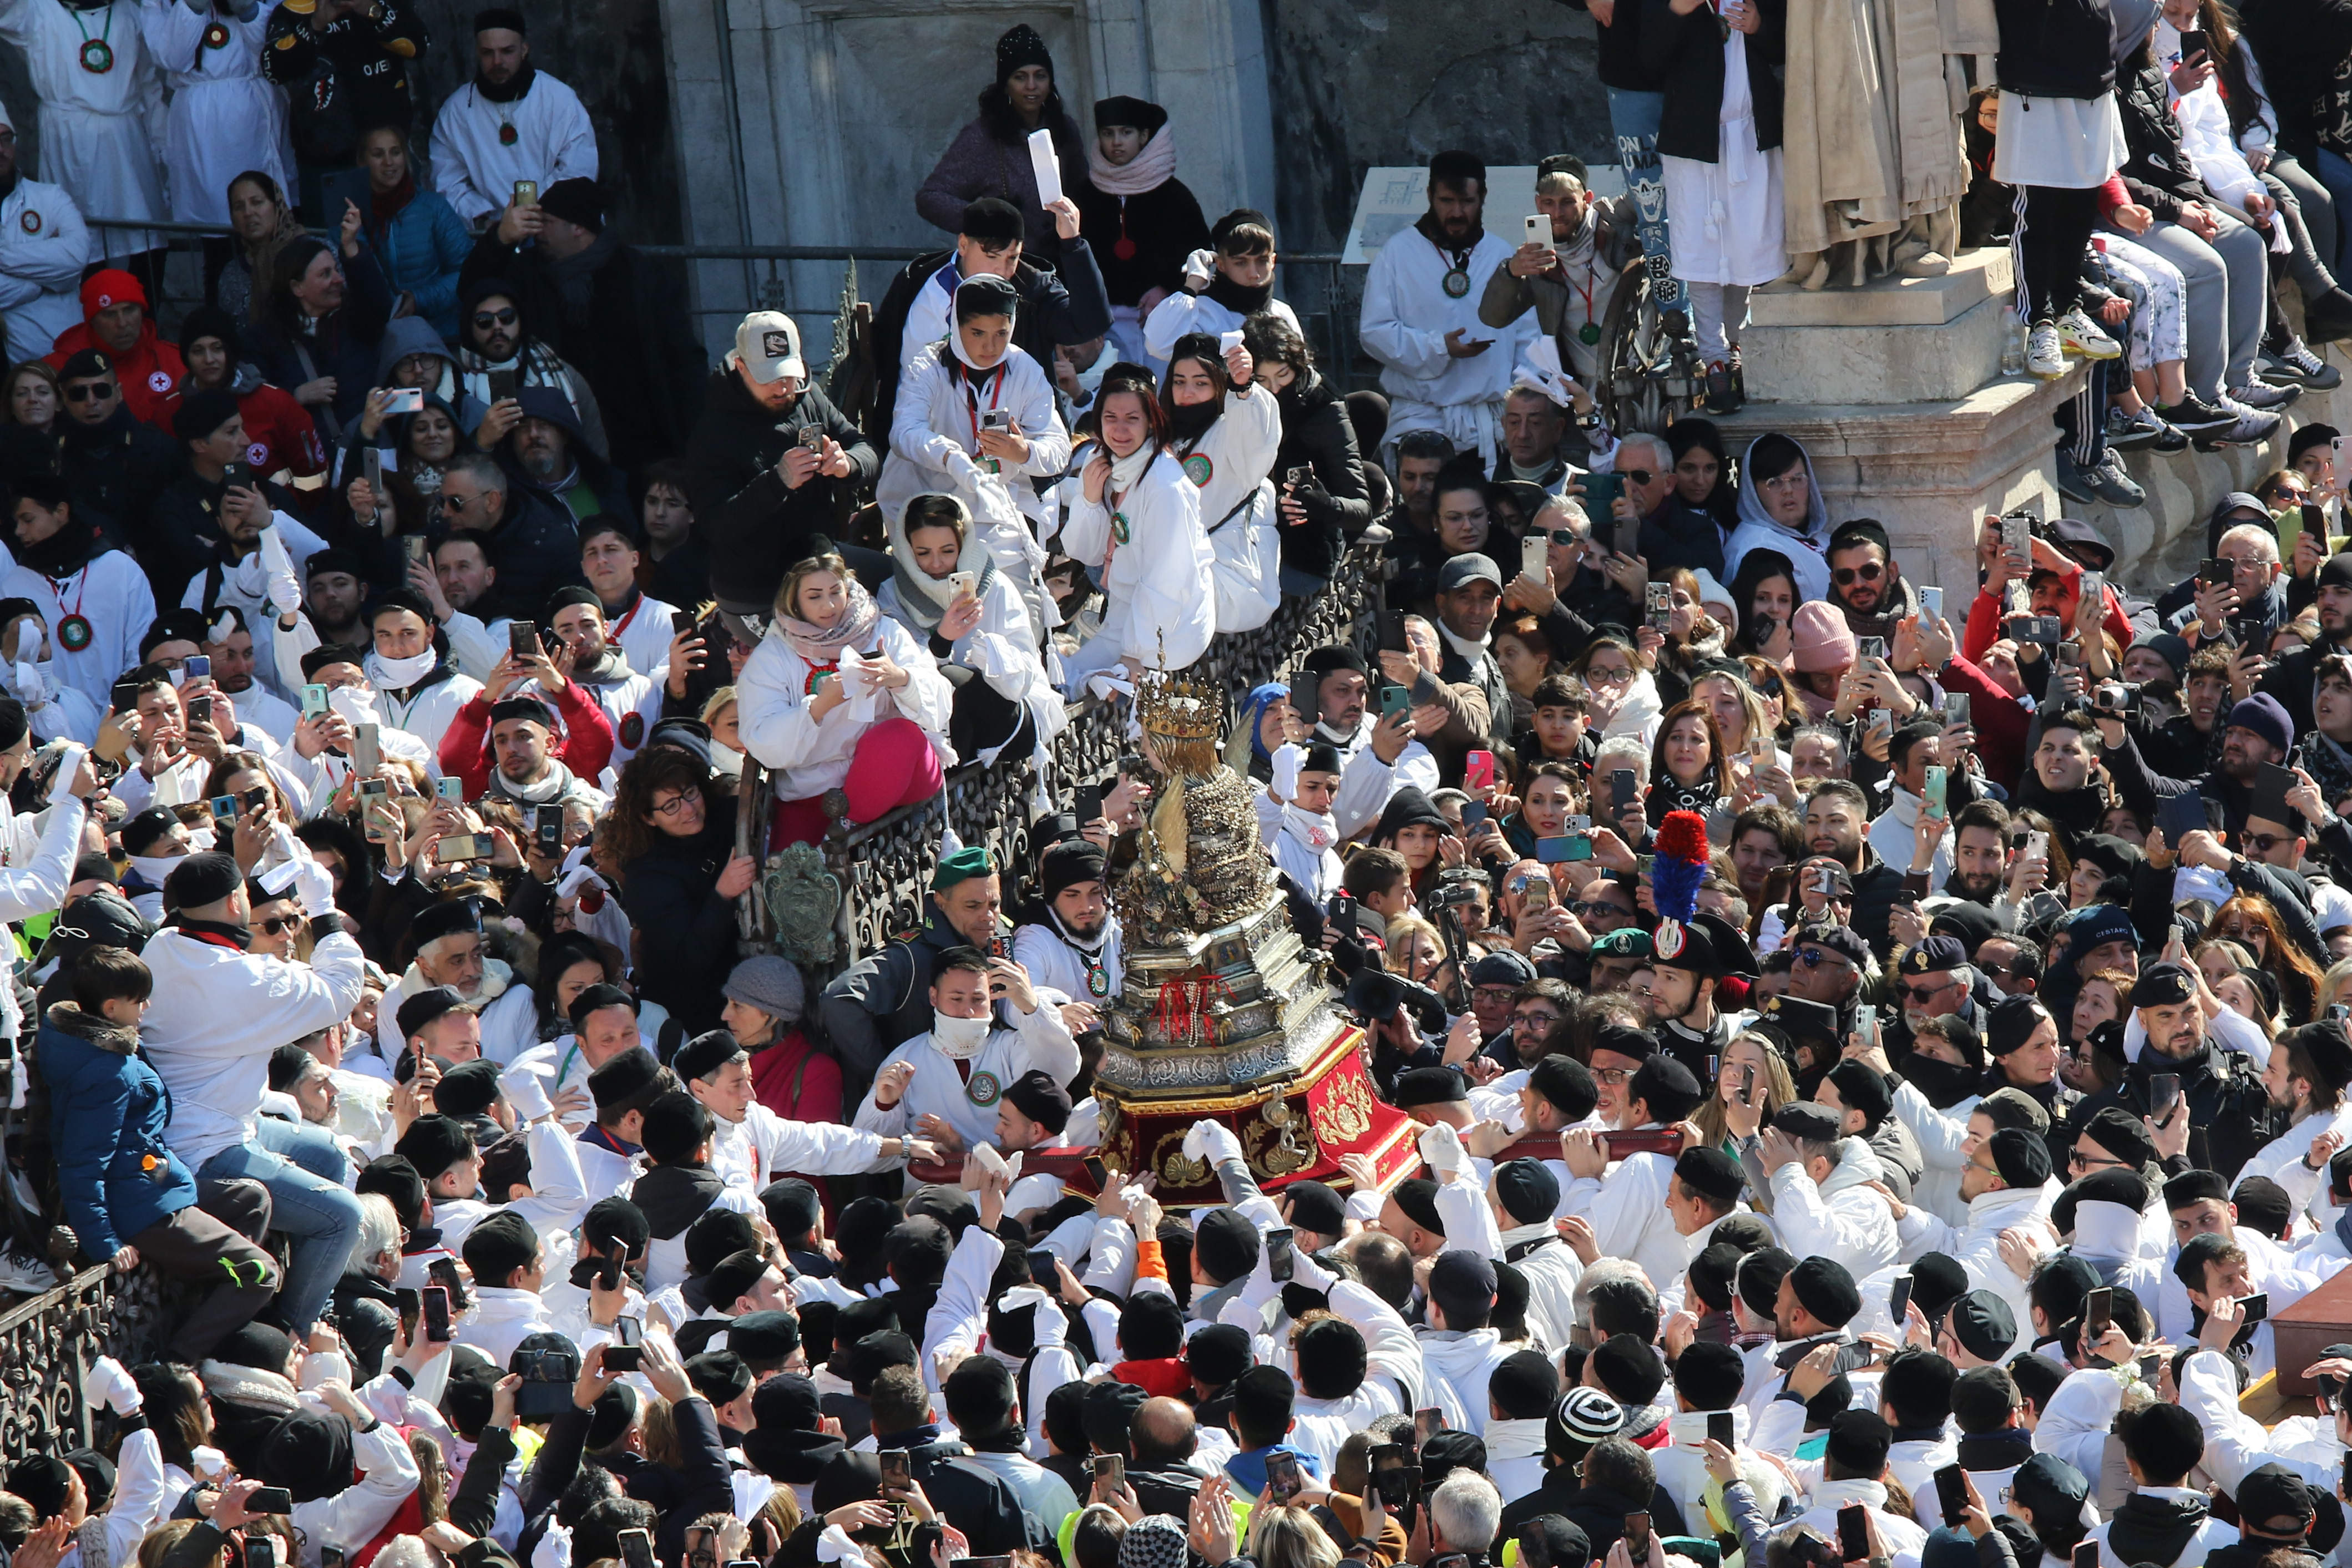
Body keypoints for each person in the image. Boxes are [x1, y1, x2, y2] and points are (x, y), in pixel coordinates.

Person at [140, 851, 367, 1337]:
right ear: (235, 902)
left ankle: (303, 1293)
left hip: (219, 1121)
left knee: (327, 1153)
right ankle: (289, 1333)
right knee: (344, 1216)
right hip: (205, 1150)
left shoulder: (161, 945)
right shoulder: (244, 979)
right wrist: (323, 905)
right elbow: (343, 989)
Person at [41, 942, 279, 1359]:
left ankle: (209, 1309)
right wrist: (105, 1243)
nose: (147, 1006)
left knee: (251, 1199)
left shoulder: (108, 1047)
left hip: (154, 1185)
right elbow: (82, 1163)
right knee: (259, 1273)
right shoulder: (106, 1071)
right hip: (142, 1208)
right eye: (139, 1000)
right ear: (112, 1008)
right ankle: (180, 1364)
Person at [460, 178, 708, 471]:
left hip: (643, 436)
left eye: (548, 221)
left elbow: (681, 355)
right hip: (560, 432)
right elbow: (474, 291)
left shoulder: (639, 274)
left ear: (577, 227)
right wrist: (501, 238)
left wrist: (692, 437)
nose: (537, 230)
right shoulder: (528, 272)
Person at [880, 274, 1071, 634]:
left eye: (1001, 333)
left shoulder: (1024, 368)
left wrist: (1023, 451)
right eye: (977, 333)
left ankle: (1022, 680)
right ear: (956, 325)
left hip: (996, 504)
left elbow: (1058, 448)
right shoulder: (930, 365)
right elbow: (904, 432)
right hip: (929, 503)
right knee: (935, 608)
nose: (990, 346)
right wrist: (949, 457)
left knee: (1017, 606)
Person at [736, 552, 953, 846]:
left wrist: (901, 679)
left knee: (900, 735)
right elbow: (761, 740)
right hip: (814, 793)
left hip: (895, 780)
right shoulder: (774, 656)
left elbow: (940, 707)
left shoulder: (882, 630)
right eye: (814, 596)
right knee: (792, 881)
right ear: (794, 600)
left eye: (836, 592)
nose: (829, 606)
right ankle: (839, 833)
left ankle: (848, 829)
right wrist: (820, 706)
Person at [685, 311, 875, 631]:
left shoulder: (809, 397)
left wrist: (848, 465)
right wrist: (777, 483)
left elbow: (866, 450)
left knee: (900, 587)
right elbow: (715, 525)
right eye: (771, 378)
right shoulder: (712, 430)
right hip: (756, 588)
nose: (784, 388)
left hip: (819, 562)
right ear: (741, 368)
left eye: (789, 375)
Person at [1649, 0, 1787, 410]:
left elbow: (1788, 47)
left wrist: (1759, 25)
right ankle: (1713, 359)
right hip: (1694, 142)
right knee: (1703, 252)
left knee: (1747, 244)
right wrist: (1677, 11)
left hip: (1751, 136)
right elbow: (1649, 59)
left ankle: (1737, 342)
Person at [874, 195, 1112, 426]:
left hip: (1007, 440)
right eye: (991, 256)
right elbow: (881, 349)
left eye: (1012, 258)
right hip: (917, 436)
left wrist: (1073, 245)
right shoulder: (917, 280)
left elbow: (1090, 324)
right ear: (964, 244)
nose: (1001, 269)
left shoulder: (1033, 290)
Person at [1359, 151, 1529, 467]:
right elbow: (1374, 332)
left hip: (1488, 424)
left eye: (1466, 202)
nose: (1456, 212)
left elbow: (1527, 340)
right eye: (1446, 201)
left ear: (1483, 198)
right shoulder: (1397, 254)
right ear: (1429, 196)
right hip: (1421, 418)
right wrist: (1438, 347)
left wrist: (1522, 406)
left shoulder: (1502, 256)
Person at [1058, 362, 1216, 691]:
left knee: (1092, 686)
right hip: (1125, 609)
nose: (1120, 430)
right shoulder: (1101, 462)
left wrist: (1136, 650)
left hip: (1172, 627)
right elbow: (1082, 551)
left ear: (1151, 423)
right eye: (1110, 418)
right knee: (1064, 679)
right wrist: (1088, 500)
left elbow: (1168, 578)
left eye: (1133, 419)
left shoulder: (1166, 485)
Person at [0, 0, 166, 274]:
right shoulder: (37, 10)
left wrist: (162, 144)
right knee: (80, 233)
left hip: (125, 140)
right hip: (69, 139)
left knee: (142, 233)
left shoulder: (130, 12)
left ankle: (145, 312)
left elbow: (149, 84)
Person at [915, 23, 1092, 265]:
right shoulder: (983, 136)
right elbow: (931, 198)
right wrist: (987, 221)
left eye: (1040, 76)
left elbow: (1085, 193)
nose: (1031, 86)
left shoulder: (1065, 129)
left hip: (1065, 262)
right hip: (1007, 268)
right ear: (1006, 84)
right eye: (1020, 77)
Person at [0, 471, 155, 711]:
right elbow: (8, 663)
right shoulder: (15, 585)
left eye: (28, 520)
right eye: (16, 523)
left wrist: (123, 708)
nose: (19, 531)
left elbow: (141, 650)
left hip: (119, 717)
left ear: (61, 512)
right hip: (48, 720)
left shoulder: (121, 570)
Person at [1481, 154, 1641, 386]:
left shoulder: (1613, 220)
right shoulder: (1536, 259)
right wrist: (1510, 272)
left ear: (1587, 199)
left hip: (1640, 377)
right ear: (1538, 204)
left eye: (1567, 202)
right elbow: (1492, 318)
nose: (1557, 213)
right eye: (1549, 202)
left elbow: (1652, 190)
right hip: (1583, 387)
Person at [428, 9, 596, 227]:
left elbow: (579, 168)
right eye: (488, 53)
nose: (498, 62)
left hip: (559, 228)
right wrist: (486, 220)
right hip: (494, 236)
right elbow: (447, 183)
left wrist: (537, 214)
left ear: (524, 50)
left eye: (507, 51)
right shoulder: (456, 112)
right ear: (478, 53)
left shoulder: (559, 99)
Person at [1076, 95, 1209, 368]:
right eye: (1108, 133)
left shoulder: (1175, 196)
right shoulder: (1084, 195)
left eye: (1126, 133)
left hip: (1163, 322)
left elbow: (1201, 255)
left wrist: (1169, 288)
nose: (1116, 142)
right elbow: (1070, 258)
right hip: (1104, 328)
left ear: (1144, 136)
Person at [141, 0, 288, 236]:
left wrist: (250, 11)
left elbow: (274, 51)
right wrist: (192, 9)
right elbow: (171, 58)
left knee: (262, 212)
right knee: (212, 215)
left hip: (249, 108)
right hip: (198, 118)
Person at [249, 225, 393, 446]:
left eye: (336, 270)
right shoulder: (265, 339)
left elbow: (380, 305)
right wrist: (296, 396)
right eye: (326, 274)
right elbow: (255, 404)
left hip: (361, 450)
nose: (339, 279)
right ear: (298, 288)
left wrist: (352, 248)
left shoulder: (355, 321)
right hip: (307, 463)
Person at [164, 306, 327, 483]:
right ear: (185, 357)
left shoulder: (275, 402)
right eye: (198, 351)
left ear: (231, 351)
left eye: (217, 348)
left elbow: (313, 479)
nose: (209, 359)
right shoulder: (169, 410)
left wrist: (278, 510)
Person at [351, 124, 471, 339]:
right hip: (378, 339)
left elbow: (466, 272)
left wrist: (419, 300)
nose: (389, 162)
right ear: (362, 162)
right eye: (378, 154)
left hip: (438, 333)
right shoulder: (350, 215)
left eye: (396, 152)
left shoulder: (434, 207)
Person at [0, 104, 91, 367]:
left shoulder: (50, 198)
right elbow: (64, 268)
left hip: (61, 358)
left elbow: (75, 258)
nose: (0, 150)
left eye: (6, 139)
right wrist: (40, 282)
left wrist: (3, 256)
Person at [44, 270, 185, 431]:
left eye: (129, 310)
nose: (122, 323)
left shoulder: (177, 360)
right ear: (92, 321)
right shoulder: (56, 369)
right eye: (109, 314)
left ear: (142, 312)